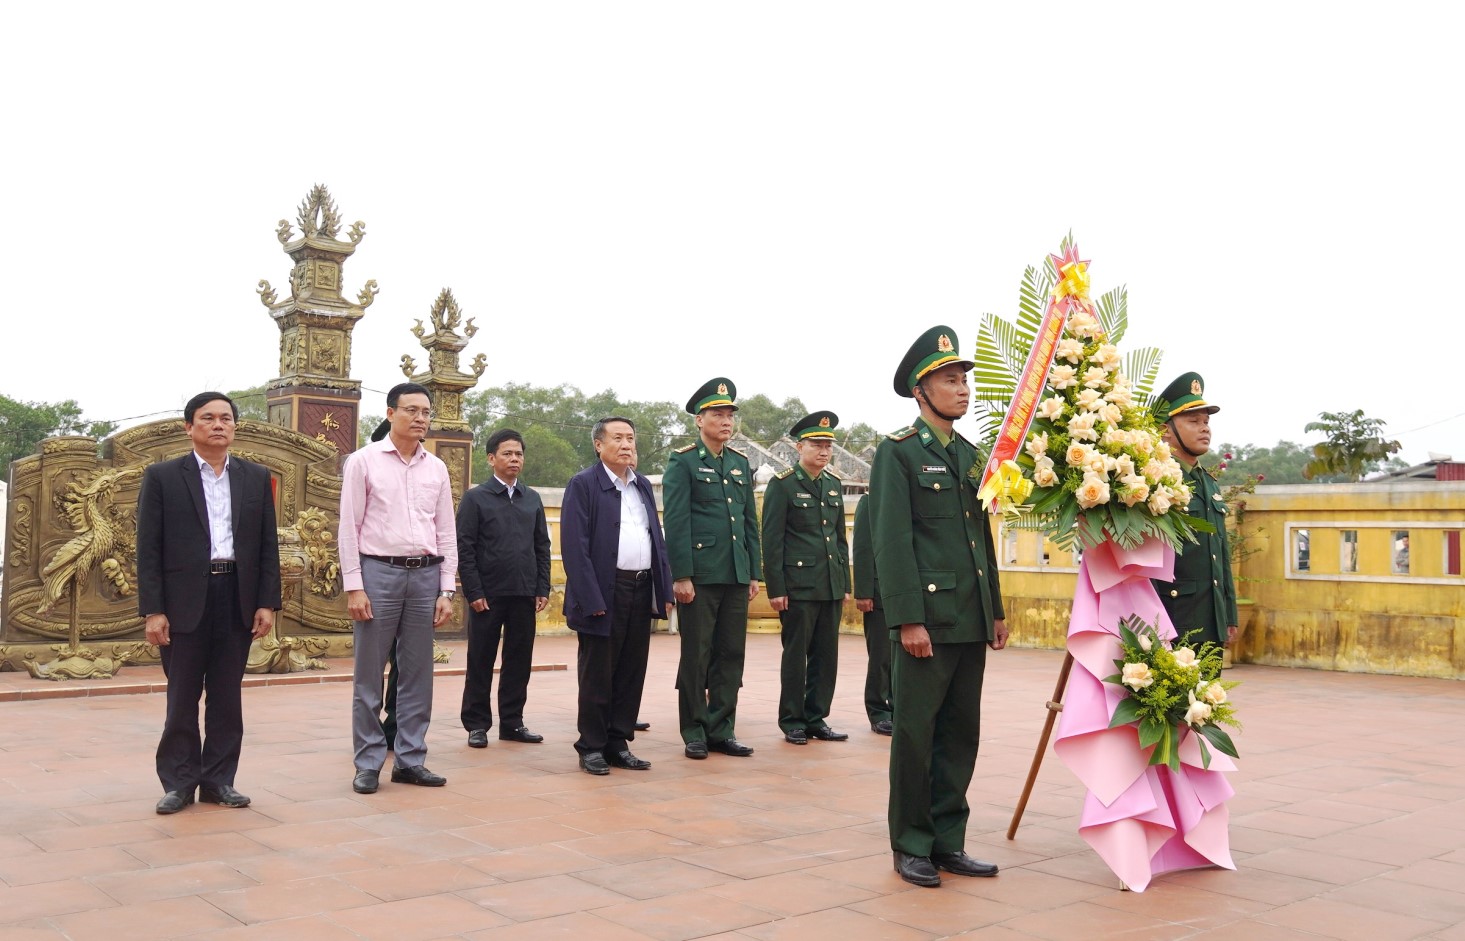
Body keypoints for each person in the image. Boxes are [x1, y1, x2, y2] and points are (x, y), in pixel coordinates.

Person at [869, 325, 1007, 888]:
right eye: (949, 381)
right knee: (916, 734)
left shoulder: (973, 456)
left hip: (969, 616)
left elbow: (982, 539)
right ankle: (911, 844)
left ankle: (950, 841)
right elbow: (891, 541)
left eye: (963, 380)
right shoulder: (897, 453)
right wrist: (906, 618)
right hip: (926, 618)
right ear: (920, 391)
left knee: (959, 733)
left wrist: (994, 608)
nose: (962, 389)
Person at [136, 391, 281, 814]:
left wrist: (266, 602)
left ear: (235, 426)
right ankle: (179, 782)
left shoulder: (255, 477)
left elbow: (266, 547)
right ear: (189, 427)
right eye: (208, 418)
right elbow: (148, 549)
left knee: (226, 695)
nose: (219, 424)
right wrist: (154, 609)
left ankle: (219, 781)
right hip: (183, 602)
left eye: (226, 418)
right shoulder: (163, 476)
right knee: (182, 696)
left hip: (235, 596)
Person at [339, 382, 457, 794]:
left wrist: (447, 589)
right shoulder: (363, 461)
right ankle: (368, 762)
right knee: (369, 676)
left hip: (425, 577)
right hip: (378, 574)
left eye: (426, 411)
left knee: (418, 675)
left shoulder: (436, 468)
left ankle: (410, 759)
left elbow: (445, 532)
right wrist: (354, 586)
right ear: (391, 413)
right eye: (412, 410)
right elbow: (349, 529)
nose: (421, 418)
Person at [560, 417, 674, 774]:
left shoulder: (640, 484)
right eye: (618, 438)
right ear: (598, 444)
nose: (627, 445)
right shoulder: (583, 484)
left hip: (641, 588)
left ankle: (618, 741)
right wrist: (592, 598)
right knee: (598, 672)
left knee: (630, 670)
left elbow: (657, 538)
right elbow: (575, 549)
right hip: (603, 592)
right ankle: (591, 745)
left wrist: (664, 588)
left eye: (631, 439)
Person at [663, 377, 762, 760]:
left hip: (735, 574)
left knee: (730, 655)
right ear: (699, 420)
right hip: (700, 576)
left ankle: (723, 728)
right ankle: (695, 730)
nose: (726, 421)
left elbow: (748, 522)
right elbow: (676, 519)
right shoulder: (683, 461)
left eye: (729, 415)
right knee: (697, 655)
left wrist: (753, 571)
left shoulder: (738, 463)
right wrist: (681, 574)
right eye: (717, 414)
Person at [457, 429, 551, 747]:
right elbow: (465, 548)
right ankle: (477, 724)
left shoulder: (532, 498)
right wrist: (474, 591)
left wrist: (542, 587)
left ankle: (512, 722)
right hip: (488, 595)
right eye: (507, 453)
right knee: (481, 659)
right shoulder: (476, 498)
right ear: (491, 458)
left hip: (524, 592)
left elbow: (542, 546)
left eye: (519, 454)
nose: (514, 459)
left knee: (519, 660)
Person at [761, 411, 851, 745]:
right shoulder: (783, 485)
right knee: (796, 656)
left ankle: (817, 717)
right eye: (816, 444)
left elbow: (840, 540)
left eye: (828, 445)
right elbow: (772, 541)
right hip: (797, 588)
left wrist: (844, 584)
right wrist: (777, 588)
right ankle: (792, 720)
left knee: (826, 657)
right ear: (800, 447)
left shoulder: (833, 485)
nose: (824, 451)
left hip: (829, 585)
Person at [1151, 372, 1238, 650]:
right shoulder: (1155, 481)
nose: (1205, 428)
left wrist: (1228, 613)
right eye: (1193, 421)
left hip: (1210, 619)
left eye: (1206, 421)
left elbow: (1220, 555)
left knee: (1210, 695)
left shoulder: (1209, 483)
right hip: (1171, 620)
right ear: (1166, 429)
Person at [851, 495, 892, 735]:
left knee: (906, 659)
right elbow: (863, 547)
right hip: (879, 593)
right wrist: (864, 591)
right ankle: (878, 711)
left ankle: (899, 709)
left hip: (912, 592)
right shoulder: (870, 500)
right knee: (881, 657)